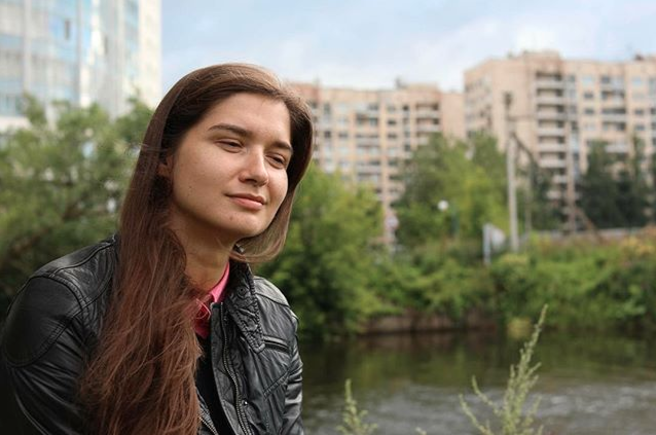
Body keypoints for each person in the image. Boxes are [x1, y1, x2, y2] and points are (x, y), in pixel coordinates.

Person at [0, 63, 313, 435]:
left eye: (278, 159)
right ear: (165, 157)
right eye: (231, 143)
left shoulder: (274, 316)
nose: (259, 172)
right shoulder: (64, 304)